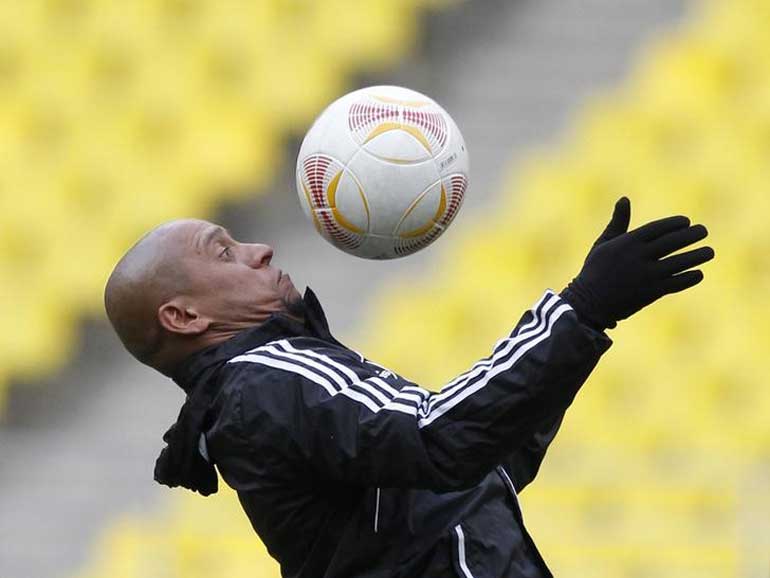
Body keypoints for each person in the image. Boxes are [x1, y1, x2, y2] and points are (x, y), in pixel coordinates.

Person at [104, 197, 714, 578]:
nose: (259, 250)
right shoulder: (269, 379)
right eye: (225, 252)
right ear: (183, 318)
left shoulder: (260, 390)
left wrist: (585, 323)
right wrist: (579, 309)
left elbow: (476, 469)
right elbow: (440, 437)